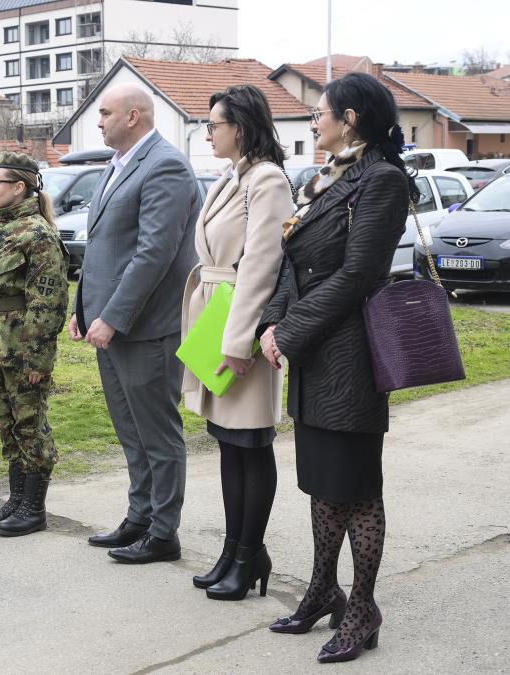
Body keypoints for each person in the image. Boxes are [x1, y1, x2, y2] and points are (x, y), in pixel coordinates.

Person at [257, 72, 415, 663]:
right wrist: (270, 325)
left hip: (349, 355)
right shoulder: (325, 179)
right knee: (323, 484)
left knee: (356, 490)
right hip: (314, 352)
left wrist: (291, 333)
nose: (313, 121)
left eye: (320, 112)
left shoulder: (383, 182)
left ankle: (363, 608)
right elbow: (290, 264)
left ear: (350, 118)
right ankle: (324, 590)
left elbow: (356, 275)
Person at [70, 83, 201, 564]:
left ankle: (164, 532)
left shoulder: (165, 165)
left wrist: (114, 317)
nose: (98, 120)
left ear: (133, 116)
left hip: (146, 327)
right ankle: (139, 517)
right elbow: (103, 247)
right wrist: (82, 310)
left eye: (104, 113)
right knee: (131, 430)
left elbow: (153, 255)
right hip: (109, 324)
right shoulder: (117, 164)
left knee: (157, 434)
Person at [180, 85, 294, 599]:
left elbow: (263, 265)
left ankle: (249, 554)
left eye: (214, 124)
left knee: (251, 441)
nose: (208, 133)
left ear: (241, 128)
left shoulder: (267, 180)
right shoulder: (231, 177)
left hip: (240, 323)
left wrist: (240, 338)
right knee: (227, 440)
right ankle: (234, 549)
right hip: (216, 317)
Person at [0, 152, 68, 537]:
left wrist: (38, 359)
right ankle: (16, 497)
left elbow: (49, 303)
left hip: (22, 348)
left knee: (29, 423)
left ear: (19, 187)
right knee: (4, 422)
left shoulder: (37, 234)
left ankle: (33, 507)